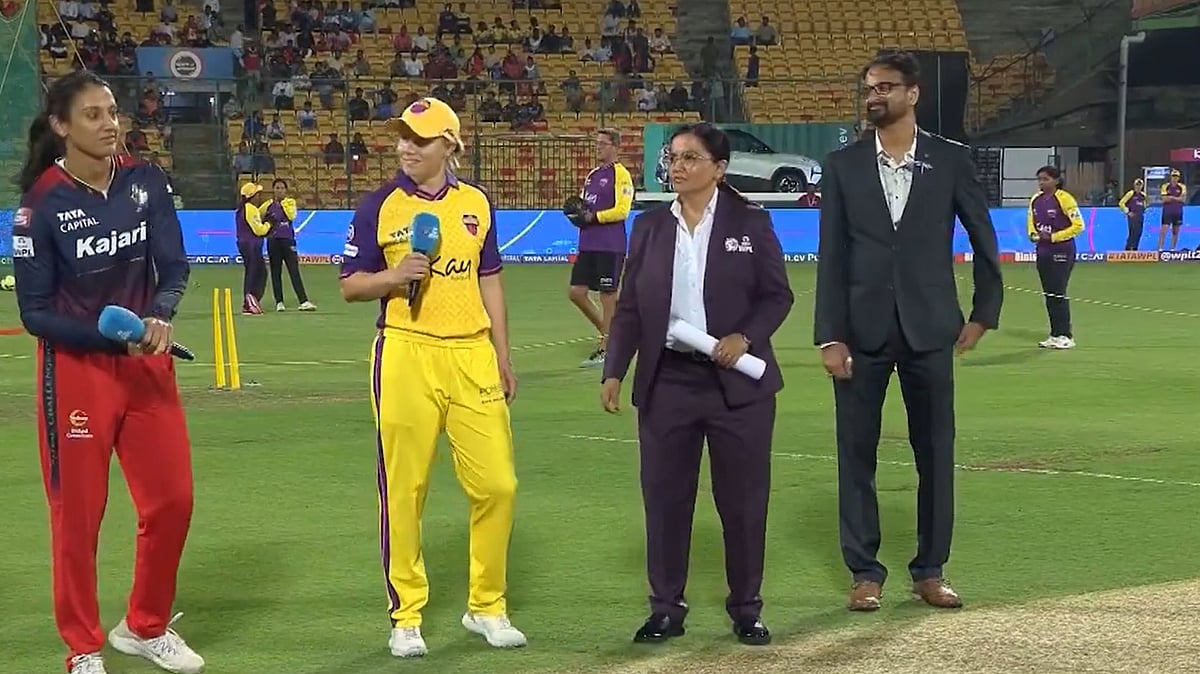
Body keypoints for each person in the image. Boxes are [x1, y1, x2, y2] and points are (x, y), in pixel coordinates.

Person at [11, 70, 205, 674]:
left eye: (113, 111)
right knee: (79, 514)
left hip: (147, 367)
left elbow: (173, 266)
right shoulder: (40, 204)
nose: (109, 123)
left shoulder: (147, 180)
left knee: (173, 501)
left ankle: (144, 627)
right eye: (92, 115)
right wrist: (105, 337)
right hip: (77, 374)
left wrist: (160, 315)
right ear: (61, 127)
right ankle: (83, 647)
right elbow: (34, 313)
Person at [813, 51, 1003, 613]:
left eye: (886, 87)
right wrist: (830, 335)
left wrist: (983, 312)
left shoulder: (950, 161)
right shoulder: (842, 165)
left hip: (930, 329)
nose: (874, 96)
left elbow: (983, 238)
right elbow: (832, 257)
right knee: (855, 455)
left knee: (935, 455)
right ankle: (865, 573)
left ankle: (930, 571)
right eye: (868, 87)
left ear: (912, 94)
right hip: (860, 332)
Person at [337, 96, 525, 658]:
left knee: (498, 485)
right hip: (405, 352)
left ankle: (486, 607)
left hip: (472, 356)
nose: (406, 147)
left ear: (450, 144)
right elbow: (350, 284)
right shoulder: (379, 206)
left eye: (419, 139)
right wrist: (394, 276)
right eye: (402, 138)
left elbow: (490, 280)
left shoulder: (477, 204)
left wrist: (503, 354)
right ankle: (407, 615)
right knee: (405, 488)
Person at [601, 123, 793, 647]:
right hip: (668, 384)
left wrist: (745, 337)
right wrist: (615, 369)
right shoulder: (648, 227)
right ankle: (666, 608)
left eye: (691, 157)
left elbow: (778, 296)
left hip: (739, 388)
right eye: (674, 157)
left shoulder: (751, 221)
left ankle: (747, 609)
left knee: (744, 503)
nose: (678, 166)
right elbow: (632, 307)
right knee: (665, 501)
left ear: (720, 168)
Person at [569, 127, 633, 367]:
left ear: (615, 147)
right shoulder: (593, 175)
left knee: (608, 296)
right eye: (597, 143)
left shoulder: (621, 175)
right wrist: (577, 214)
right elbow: (587, 206)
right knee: (576, 292)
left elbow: (622, 210)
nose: (598, 147)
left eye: (603, 143)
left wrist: (593, 218)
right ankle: (610, 334)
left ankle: (608, 348)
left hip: (609, 244)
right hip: (588, 242)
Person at [1027, 165, 1083, 350]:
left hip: (1062, 251)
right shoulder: (1036, 199)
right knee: (1049, 294)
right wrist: (1033, 234)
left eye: (1045, 179)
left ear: (1056, 180)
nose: (1042, 183)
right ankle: (1055, 334)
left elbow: (1078, 226)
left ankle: (1066, 335)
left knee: (1058, 292)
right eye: (1040, 179)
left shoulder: (1065, 199)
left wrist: (1053, 237)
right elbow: (1031, 222)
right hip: (1043, 252)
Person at [261, 178, 317, 311]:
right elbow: (259, 217)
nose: (279, 190)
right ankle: (279, 302)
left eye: (282, 188)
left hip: (287, 240)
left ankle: (303, 301)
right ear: (273, 190)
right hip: (273, 240)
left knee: (294, 270)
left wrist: (283, 205)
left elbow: (292, 216)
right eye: (277, 188)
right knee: (276, 271)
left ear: (286, 190)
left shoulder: (290, 203)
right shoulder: (267, 205)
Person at [235, 181, 269, 314]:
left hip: (245, 243)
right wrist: (269, 224)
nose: (259, 196)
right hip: (251, 244)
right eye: (257, 194)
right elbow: (259, 230)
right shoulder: (250, 208)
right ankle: (250, 302)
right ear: (252, 196)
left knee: (254, 272)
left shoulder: (243, 209)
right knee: (257, 273)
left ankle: (250, 302)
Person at [1156, 168, 1187, 251]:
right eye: (1173, 176)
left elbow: (1183, 199)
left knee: (1175, 231)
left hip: (1178, 211)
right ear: (1171, 177)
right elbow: (1164, 199)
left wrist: (1171, 197)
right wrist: (1177, 198)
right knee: (1164, 230)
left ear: (1179, 178)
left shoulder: (1182, 187)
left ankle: (1172, 249)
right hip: (1167, 211)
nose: (1175, 178)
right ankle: (1160, 248)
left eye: (1176, 176)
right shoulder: (1165, 186)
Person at [1118, 177, 1147, 251]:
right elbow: (1121, 203)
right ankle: (1128, 249)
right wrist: (1127, 212)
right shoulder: (1131, 193)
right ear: (1134, 185)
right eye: (1137, 185)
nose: (1138, 187)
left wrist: (1144, 209)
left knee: (1139, 233)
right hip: (1132, 216)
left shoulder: (1143, 195)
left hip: (1140, 216)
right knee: (1133, 233)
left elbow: (1145, 204)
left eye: (1140, 185)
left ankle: (1135, 249)